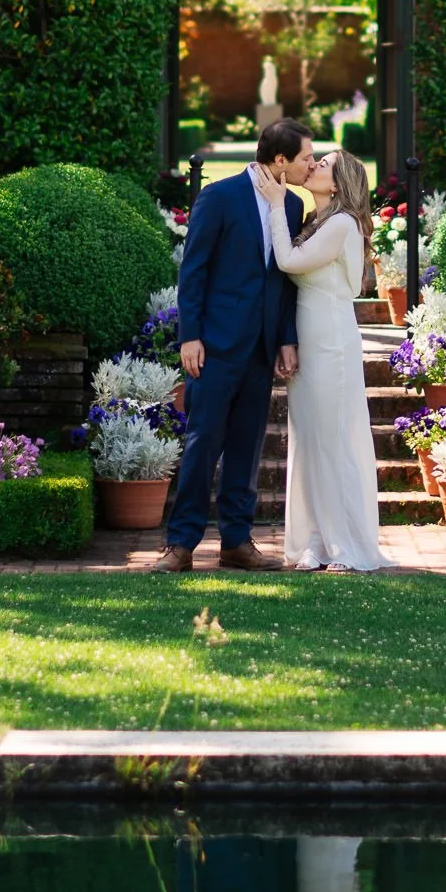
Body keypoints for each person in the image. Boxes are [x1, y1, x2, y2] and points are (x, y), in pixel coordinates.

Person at [162, 117, 314, 573]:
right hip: (214, 345)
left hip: (262, 348)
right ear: (281, 160)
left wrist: (286, 339)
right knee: (203, 442)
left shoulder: (291, 207)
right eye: (306, 158)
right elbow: (194, 270)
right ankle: (181, 545)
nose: (311, 165)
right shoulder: (219, 197)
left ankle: (236, 542)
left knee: (247, 447)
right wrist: (190, 335)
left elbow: (285, 282)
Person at [251, 147, 385, 572]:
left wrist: (274, 206)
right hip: (308, 336)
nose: (313, 166)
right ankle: (314, 542)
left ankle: (344, 546)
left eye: (322, 164)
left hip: (330, 338)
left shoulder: (343, 224)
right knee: (307, 441)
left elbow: (289, 262)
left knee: (332, 442)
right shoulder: (315, 221)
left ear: (340, 182)